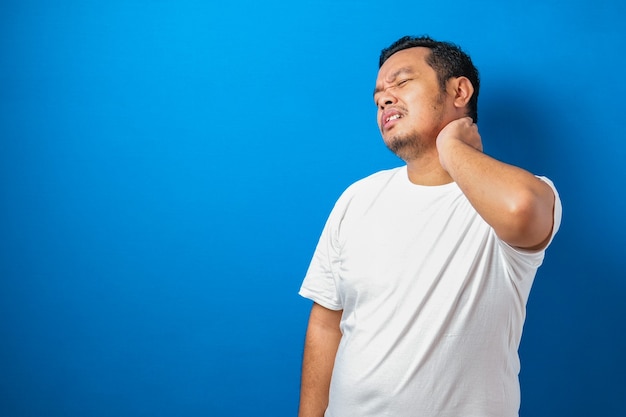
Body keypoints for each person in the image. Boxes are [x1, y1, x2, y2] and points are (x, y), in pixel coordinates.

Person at [297, 35, 562, 417]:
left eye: (401, 83)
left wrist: (452, 147)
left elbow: (523, 209)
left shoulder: (511, 196)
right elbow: (326, 323)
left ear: (459, 91)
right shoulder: (356, 199)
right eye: (378, 97)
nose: (384, 99)